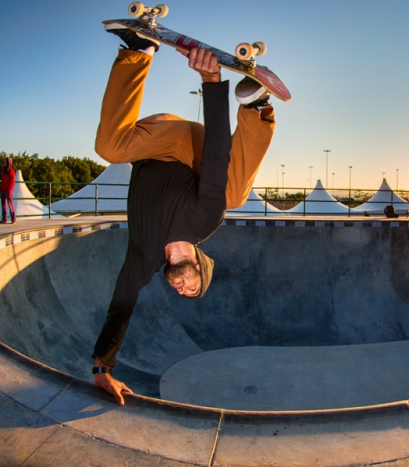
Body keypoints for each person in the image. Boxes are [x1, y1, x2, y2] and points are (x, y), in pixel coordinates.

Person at [91, 23, 276, 405]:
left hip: (154, 144)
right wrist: (212, 80)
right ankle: (256, 109)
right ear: (200, 266)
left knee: (109, 147)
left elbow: (120, 307)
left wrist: (102, 370)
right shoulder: (205, 220)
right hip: (195, 146)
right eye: (192, 287)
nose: (182, 289)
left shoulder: (143, 259)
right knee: (233, 195)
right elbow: (216, 155)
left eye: (181, 292)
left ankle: (138, 51)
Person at [0, 157, 16, 224]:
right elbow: (2, 181)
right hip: (3, 189)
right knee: (3, 205)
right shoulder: (3, 172)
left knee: (10, 204)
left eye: (6, 162)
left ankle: (13, 218)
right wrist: (0, 189)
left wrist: (9, 190)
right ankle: (4, 218)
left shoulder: (11, 172)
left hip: (8, 190)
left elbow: (12, 182)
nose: (4, 163)